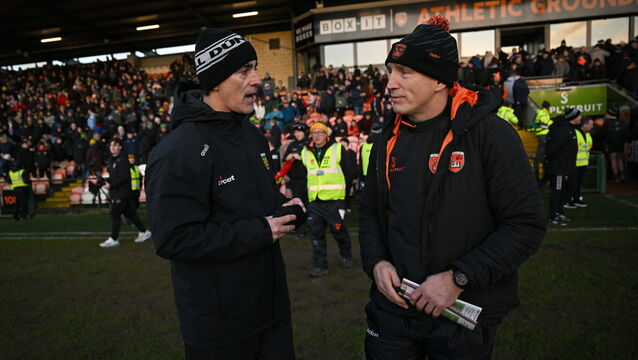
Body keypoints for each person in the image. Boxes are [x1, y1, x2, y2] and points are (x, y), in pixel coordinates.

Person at [359, 16, 546, 359]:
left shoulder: (491, 135)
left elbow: (526, 224)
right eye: (390, 71)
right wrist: (376, 262)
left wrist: (458, 278)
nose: (390, 84)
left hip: (461, 314)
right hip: (393, 312)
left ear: (439, 81)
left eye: (405, 72)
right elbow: (370, 210)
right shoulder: (387, 137)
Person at [145, 28, 302, 359]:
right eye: (244, 71)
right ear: (215, 81)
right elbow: (174, 238)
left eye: (255, 68)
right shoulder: (178, 151)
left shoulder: (252, 136)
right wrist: (260, 230)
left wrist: (284, 208)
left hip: (273, 313)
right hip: (220, 329)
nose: (257, 80)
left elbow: (258, 203)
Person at [301, 121, 354, 277]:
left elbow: (349, 173)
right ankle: (320, 266)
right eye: (314, 133)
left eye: (320, 132)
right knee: (316, 235)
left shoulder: (338, 149)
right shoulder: (306, 152)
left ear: (326, 134)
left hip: (334, 201)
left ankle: (346, 256)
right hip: (315, 202)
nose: (317, 136)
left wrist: (345, 201)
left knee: (339, 232)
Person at [99, 138, 152, 248]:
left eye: (115, 145)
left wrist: (111, 185)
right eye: (111, 145)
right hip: (119, 192)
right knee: (129, 214)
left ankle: (113, 239)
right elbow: (115, 177)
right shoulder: (112, 160)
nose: (112, 147)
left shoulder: (122, 160)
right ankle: (144, 231)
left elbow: (124, 177)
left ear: (120, 147)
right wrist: (106, 181)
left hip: (122, 193)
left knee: (115, 214)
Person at [545, 108, 582, 226]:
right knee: (557, 191)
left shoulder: (569, 130)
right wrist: (557, 163)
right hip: (559, 168)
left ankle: (559, 212)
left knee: (563, 191)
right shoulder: (564, 131)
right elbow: (552, 150)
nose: (580, 118)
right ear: (573, 118)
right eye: (578, 116)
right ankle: (553, 215)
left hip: (567, 167)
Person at [567, 117, 593, 208]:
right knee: (572, 183)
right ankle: (568, 200)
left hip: (583, 163)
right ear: (584, 125)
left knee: (579, 183)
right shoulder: (576, 133)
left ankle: (576, 199)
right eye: (590, 124)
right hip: (575, 163)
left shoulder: (587, 134)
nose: (592, 126)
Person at [603, 107, 630, 183]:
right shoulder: (622, 122)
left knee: (613, 159)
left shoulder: (607, 123)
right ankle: (622, 176)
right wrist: (628, 143)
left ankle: (616, 177)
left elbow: (602, 133)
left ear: (609, 114)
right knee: (620, 159)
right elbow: (627, 134)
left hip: (611, 143)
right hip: (621, 143)